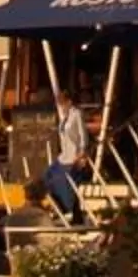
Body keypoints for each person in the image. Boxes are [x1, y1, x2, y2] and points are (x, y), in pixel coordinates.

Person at [43, 89, 90, 223]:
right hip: (64, 156)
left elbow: (83, 136)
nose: (61, 106)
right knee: (47, 175)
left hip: (74, 156)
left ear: (69, 102)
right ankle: (59, 206)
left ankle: (68, 210)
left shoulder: (76, 114)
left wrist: (81, 154)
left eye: (62, 103)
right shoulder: (64, 116)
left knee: (66, 180)